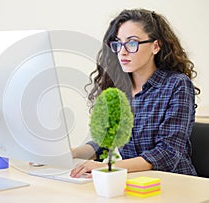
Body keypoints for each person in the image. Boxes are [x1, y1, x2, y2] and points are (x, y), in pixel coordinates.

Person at [70, 8, 200, 178]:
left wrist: (108, 167)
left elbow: (168, 153)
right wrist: (69, 153)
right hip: (135, 182)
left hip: (174, 182)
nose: (122, 52)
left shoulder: (177, 84)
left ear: (155, 46)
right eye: (117, 43)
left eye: (132, 43)